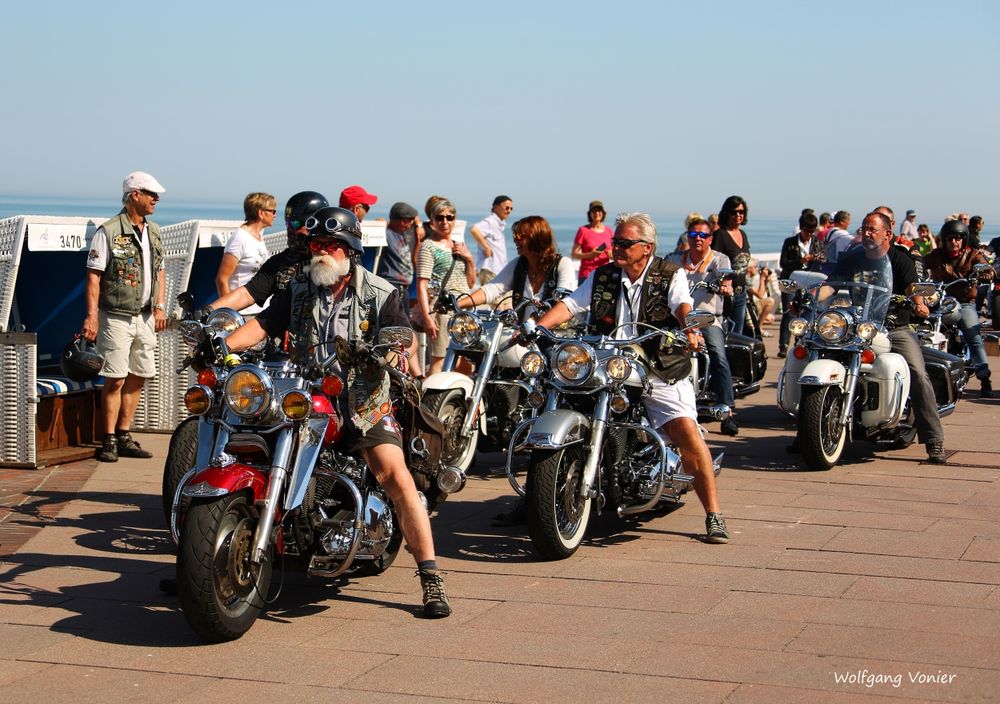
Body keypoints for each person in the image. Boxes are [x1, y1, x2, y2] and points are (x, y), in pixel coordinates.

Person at [223, 206, 451, 618]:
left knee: (395, 476)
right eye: (316, 246)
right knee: (240, 444)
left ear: (350, 250)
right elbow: (263, 323)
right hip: (304, 397)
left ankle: (430, 576)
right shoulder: (298, 290)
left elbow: (404, 338)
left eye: (331, 245)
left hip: (364, 402)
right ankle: (205, 564)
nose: (321, 253)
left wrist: (394, 350)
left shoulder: (381, 292)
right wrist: (224, 346)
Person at [534, 212, 730, 543]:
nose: (617, 248)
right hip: (610, 361)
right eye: (615, 242)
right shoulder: (603, 276)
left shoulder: (670, 274)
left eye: (625, 243)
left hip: (660, 364)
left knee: (684, 431)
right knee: (553, 395)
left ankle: (713, 513)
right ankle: (535, 498)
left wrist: (690, 329)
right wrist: (538, 327)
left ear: (646, 247)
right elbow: (570, 305)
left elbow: (682, 305)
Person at [831, 211, 947, 463]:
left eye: (872, 229)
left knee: (917, 372)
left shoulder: (900, 259)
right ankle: (806, 430)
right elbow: (831, 284)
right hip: (859, 325)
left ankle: (934, 439)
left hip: (894, 326)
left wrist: (919, 303)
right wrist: (808, 298)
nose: (867, 233)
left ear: (887, 234)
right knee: (818, 350)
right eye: (864, 228)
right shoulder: (852, 258)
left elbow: (913, 288)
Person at [81, 172, 168, 462]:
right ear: (135, 195)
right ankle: (108, 440)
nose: (156, 199)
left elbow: (160, 271)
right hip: (116, 316)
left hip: (144, 317)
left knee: (139, 376)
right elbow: (93, 277)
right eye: (151, 194)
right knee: (115, 378)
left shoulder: (153, 230)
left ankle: (123, 433)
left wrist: (159, 306)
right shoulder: (108, 232)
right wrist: (91, 317)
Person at [205, 191, 329, 314]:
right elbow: (246, 293)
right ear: (260, 212)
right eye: (288, 223)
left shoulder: (331, 264)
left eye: (295, 224)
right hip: (250, 313)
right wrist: (211, 311)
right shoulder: (279, 261)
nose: (290, 229)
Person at [669, 217, 739, 435]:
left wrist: (724, 287)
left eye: (703, 235)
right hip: (678, 319)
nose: (698, 239)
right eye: (693, 235)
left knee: (717, 353)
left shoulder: (719, 260)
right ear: (687, 237)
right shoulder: (675, 259)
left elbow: (727, 280)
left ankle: (727, 410)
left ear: (710, 238)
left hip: (707, 317)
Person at [924, 219, 994, 397]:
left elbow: (988, 267)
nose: (954, 242)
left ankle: (985, 378)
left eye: (957, 238)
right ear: (944, 240)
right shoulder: (936, 255)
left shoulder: (973, 255)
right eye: (950, 239)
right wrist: (913, 258)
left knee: (974, 336)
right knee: (922, 332)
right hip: (940, 301)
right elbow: (919, 263)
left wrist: (986, 272)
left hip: (964, 302)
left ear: (964, 239)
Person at [459, 215, 576, 317]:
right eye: (514, 236)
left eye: (519, 236)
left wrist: (536, 321)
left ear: (536, 238)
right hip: (522, 337)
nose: (515, 240)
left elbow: (563, 302)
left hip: (557, 336)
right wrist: (458, 304)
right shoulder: (518, 265)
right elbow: (492, 289)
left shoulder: (563, 264)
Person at [416, 198, 477, 375]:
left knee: (465, 362)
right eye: (440, 217)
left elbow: (471, 282)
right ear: (432, 221)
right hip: (442, 311)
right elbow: (422, 284)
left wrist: (469, 259)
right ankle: (431, 402)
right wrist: (427, 317)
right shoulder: (428, 247)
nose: (445, 222)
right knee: (439, 361)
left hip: (463, 310)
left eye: (449, 217)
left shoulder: (458, 246)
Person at [215, 192, 275, 315]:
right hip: (244, 312)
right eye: (272, 211)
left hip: (260, 310)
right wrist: (229, 313)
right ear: (261, 213)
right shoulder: (240, 238)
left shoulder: (258, 236)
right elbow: (221, 279)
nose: (275, 215)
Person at [777, 211, 825, 357]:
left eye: (812, 231)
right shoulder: (790, 242)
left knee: (806, 311)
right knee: (789, 312)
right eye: (807, 231)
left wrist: (818, 259)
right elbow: (783, 263)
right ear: (801, 228)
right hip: (791, 280)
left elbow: (823, 260)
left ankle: (800, 342)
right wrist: (801, 261)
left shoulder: (817, 243)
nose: (809, 234)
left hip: (809, 282)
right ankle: (783, 345)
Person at [711, 195, 752, 336]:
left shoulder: (743, 234)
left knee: (737, 334)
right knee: (724, 331)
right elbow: (713, 262)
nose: (738, 215)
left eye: (741, 212)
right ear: (726, 213)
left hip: (741, 292)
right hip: (725, 295)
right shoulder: (720, 235)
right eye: (734, 212)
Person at [469, 195, 512, 285]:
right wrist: (486, 247)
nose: (509, 211)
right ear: (496, 207)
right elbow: (474, 229)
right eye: (507, 208)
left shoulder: (499, 224)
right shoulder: (491, 221)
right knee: (493, 299)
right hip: (490, 269)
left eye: (511, 209)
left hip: (497, 271)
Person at [571, 200, 613, 284]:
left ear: (603, 213)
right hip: (587, 275)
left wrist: (610, 254)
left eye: (599, 211)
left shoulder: (609, 231)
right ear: (590, 214)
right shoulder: (583, 230)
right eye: (594, 211)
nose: (597, 213)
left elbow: (614, 255)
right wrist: (590, 255)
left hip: (605, 275)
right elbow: (574, 254)